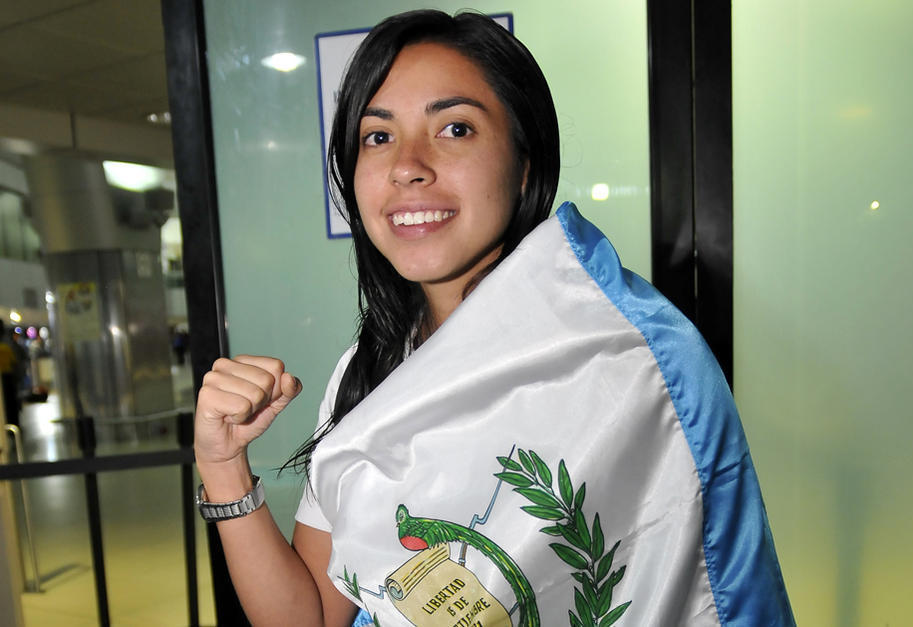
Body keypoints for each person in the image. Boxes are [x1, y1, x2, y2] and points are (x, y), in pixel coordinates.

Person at [194, 10, 793, 627]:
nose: (407, 165)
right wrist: (222, 466)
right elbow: (312, 618)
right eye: (377, 137)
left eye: (454, 128)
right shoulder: (369, 371)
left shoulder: (627, 362)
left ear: (525, 164)